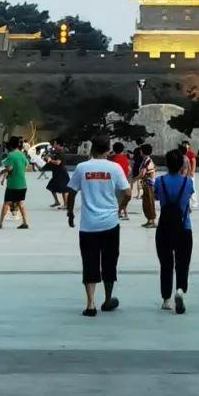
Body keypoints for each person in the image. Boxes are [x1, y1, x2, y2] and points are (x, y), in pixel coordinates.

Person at [66, 134, 130, 315]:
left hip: (88, 225)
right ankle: (108, 300)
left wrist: (70, 213)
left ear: (92, 149)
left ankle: (90, 304)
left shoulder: (82, 168)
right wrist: (119, 208)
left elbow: (71, 191)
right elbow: (127, 192)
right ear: (109, 149)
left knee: (89, 262)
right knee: (110, 261)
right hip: (110, 223)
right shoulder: (115, 168)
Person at [154, 146, 194, 313]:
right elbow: (188, 198)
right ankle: (180, 290)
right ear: (181, 165)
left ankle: (165, 299)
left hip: (164, 227)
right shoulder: (188, 182)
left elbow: (156, 197)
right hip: (184, 227)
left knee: (166, 264)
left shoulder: (159, 181)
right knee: (182, 263)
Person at [0, 134, 30, 229]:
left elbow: (9, 168)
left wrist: (3, 171)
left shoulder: (11, 155)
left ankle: (0, 222)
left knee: (6, 202)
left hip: (13, 184)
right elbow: (26, 166)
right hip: (22, 184)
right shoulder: (22, 154)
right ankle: (25, 222)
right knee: (20, 203)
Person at [136, 143, 157, 227]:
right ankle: (149, 219)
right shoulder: (145, 160)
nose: (140, 151)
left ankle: (152, 220)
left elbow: (142, 174)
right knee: (146, 202)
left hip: (149, 185)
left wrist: (133, 180)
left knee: (149, 202)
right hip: (145, 184)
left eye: (141, 150)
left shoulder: (147, 161)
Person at [110, 141, 132, 218]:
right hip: (124, 180)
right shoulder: (125, 158)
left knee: (116, 198)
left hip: (114, 182)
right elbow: (129, 170)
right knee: (124, 197)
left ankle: (118, 212)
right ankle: (125, 212)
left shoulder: (112, 158)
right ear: (122, 149)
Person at [45, 140, 70, 209]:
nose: (53, 145)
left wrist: (50, 160)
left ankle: (66, 205)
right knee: (51, 187)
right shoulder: (56, 152)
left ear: (59, 145)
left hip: (61, 173)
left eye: (55, 144)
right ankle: (57, 202)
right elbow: (52, 158)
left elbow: (58, 162)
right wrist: (48, 157)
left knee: (64, 189)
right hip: (56, 173)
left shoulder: (60, 152)